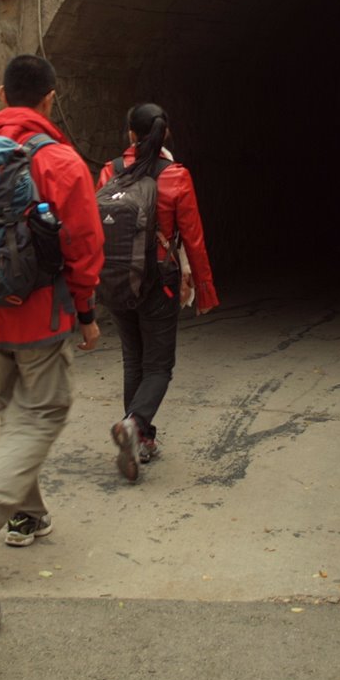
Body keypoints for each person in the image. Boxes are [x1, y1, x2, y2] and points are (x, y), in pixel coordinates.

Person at [0, 54, 105, 550]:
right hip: (41, 315)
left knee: (13, 415)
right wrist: (85, 312)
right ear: (50, 99)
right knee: (44, 412)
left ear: (2, 96)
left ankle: (28, 514)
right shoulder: (61, 162)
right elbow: (85, 246)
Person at [97, 103, 218, 480]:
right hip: (159, 281)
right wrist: (204, 288)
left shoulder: (110, 171)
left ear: (131, 134)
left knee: (133, 360)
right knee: (159, 366)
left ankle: (142, 438)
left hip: (118, 278)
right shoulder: (176, 175)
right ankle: (134, 425)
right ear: (165, 134)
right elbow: (193, 238)